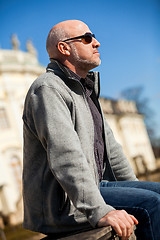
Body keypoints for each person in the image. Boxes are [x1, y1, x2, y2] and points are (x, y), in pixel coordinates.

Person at [22, 20, 160, 240]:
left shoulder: (85, 89)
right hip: (62, 203)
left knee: (155, 193)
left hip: (94, 187)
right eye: (87, 38)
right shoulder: (47, 88)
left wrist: (133, 189)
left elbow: (112, 151)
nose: (96, 42)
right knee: (151, 204)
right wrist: (100, 211)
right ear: (64, 48)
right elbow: (65, 156)